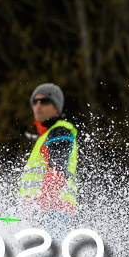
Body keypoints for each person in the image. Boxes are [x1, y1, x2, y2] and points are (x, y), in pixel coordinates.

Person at [19, 83, 79, 238]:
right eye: (35, 101)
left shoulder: (60, 131)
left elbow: (57, 171)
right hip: (42, 212)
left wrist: (39, 209)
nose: (38, 106)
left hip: (52, 212)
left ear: (56, 107)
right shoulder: (45, 135)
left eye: (45, 101)